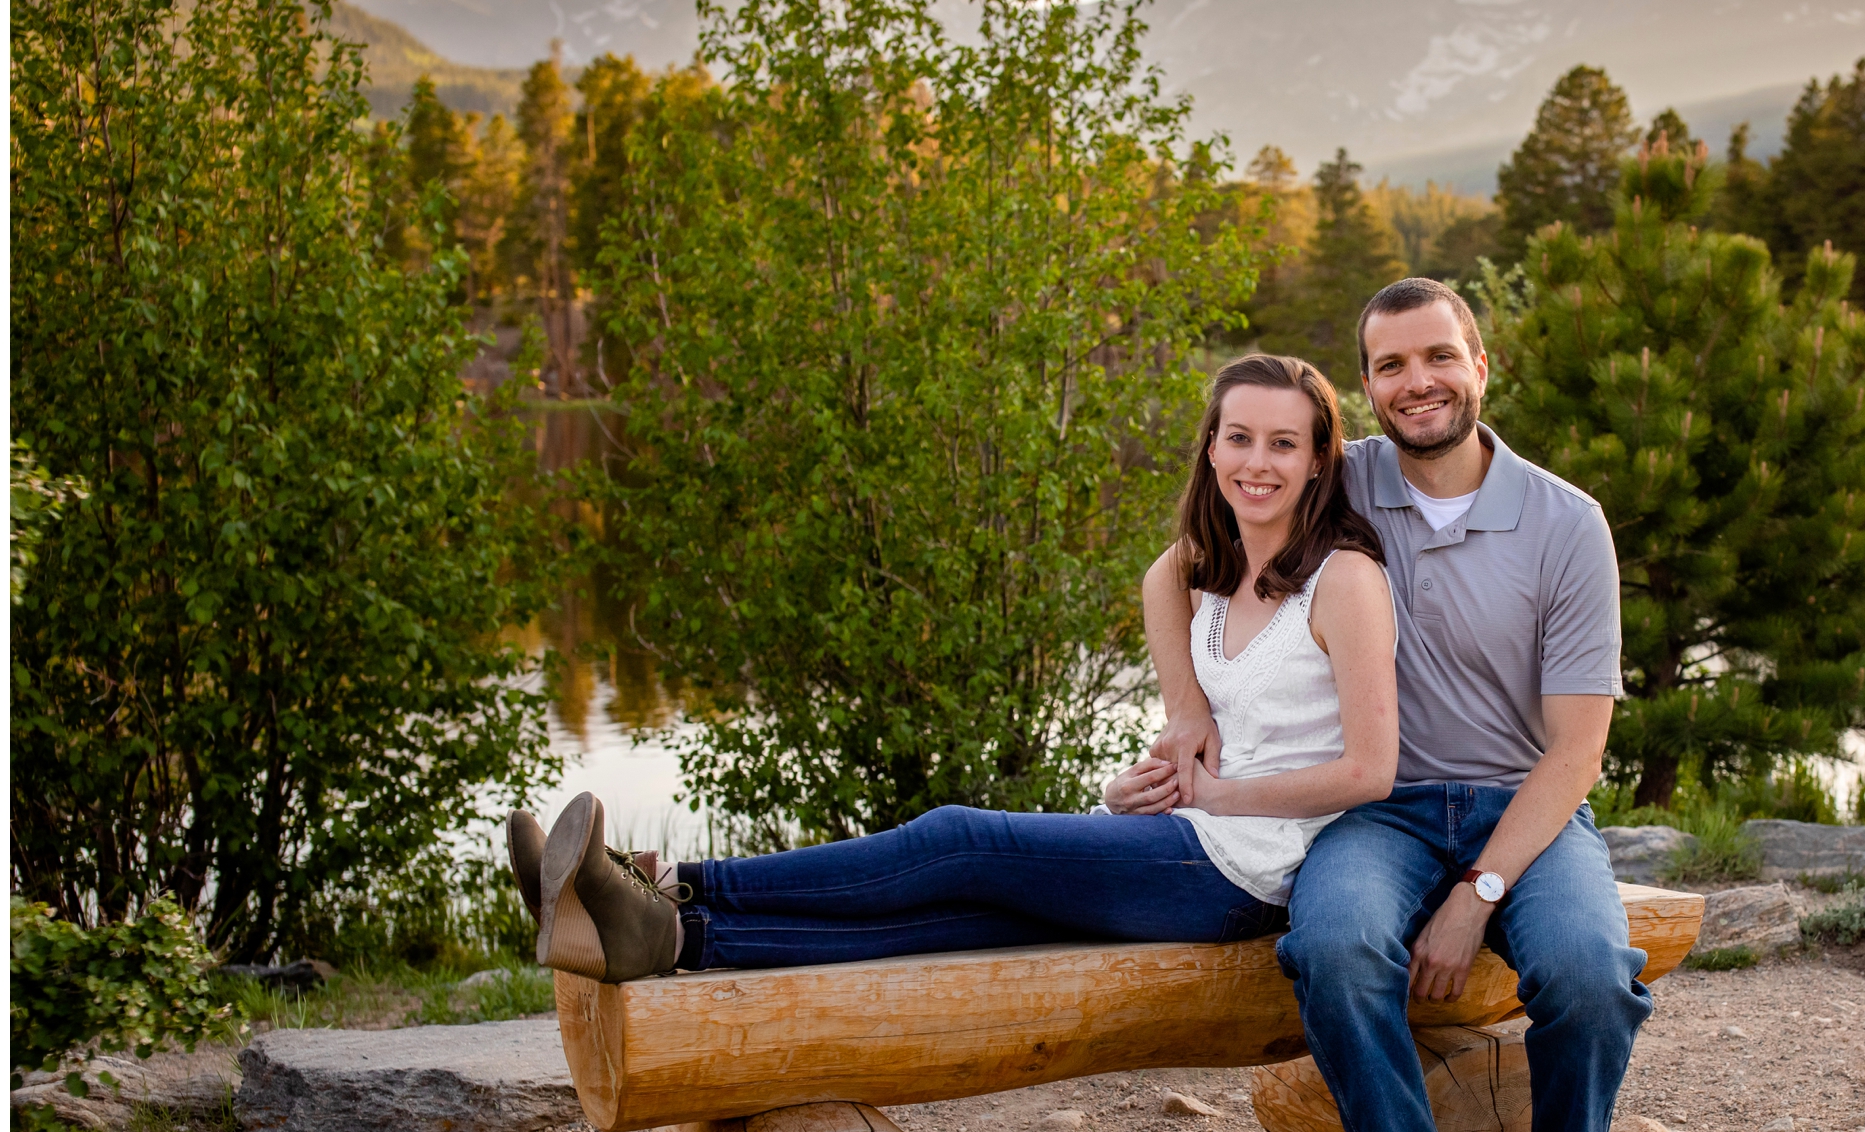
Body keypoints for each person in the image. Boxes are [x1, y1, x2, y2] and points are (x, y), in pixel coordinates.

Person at [512, 353, 1397, 984]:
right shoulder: (1211, 562)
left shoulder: (1345, 579)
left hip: (1246, 872)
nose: (1258, 462)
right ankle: (670, 940)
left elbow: (1370, 770)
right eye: (1239, 438)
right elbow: (1161, 575)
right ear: (1211, 448)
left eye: (1284, 444)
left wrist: (1213, 795)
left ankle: (668, 882)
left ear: (1322, 457)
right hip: (1191, 838)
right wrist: (1185, 714)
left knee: (956, 839)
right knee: (952, 919)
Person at [1145, 277, 1645, 1132]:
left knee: (1590, 974)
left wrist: (1479, 894)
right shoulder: (1340, 483)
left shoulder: (1565, 522)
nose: (1417, 382)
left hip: (1526, 809)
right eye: (1390, 365)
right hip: (1376, 811)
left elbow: (1578, 750)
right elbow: (1176, 565)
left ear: (1480, 365)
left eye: (1438, 357)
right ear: (1366, 386)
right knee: (1333, 948)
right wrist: (1186, 711)